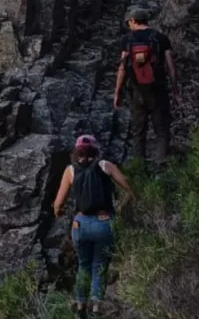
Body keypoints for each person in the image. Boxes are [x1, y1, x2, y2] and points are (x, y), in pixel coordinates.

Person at [54, 135, 134, 318]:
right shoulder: (105, 166)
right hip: (104, 222)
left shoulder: (70, 170)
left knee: (83, 265)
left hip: (80, 223)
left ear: (77, 151)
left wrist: (58, 213)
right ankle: (96, 307)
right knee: (99, 265)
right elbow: (128, 188)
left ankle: (81, 304)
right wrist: (125, 206)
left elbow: (58, 203)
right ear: (95, 149)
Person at [113, 7, 179, 167]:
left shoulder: (127, 40)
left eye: (128, 23)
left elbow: (122, 68)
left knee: (138, 132)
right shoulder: (161, 38)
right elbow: (171, 67)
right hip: (158, 90)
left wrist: (117, 92)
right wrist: (175, 90)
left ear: (132, 21)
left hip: (136, 91)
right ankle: (160, 166)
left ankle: (139, 169)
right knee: (162, 130)